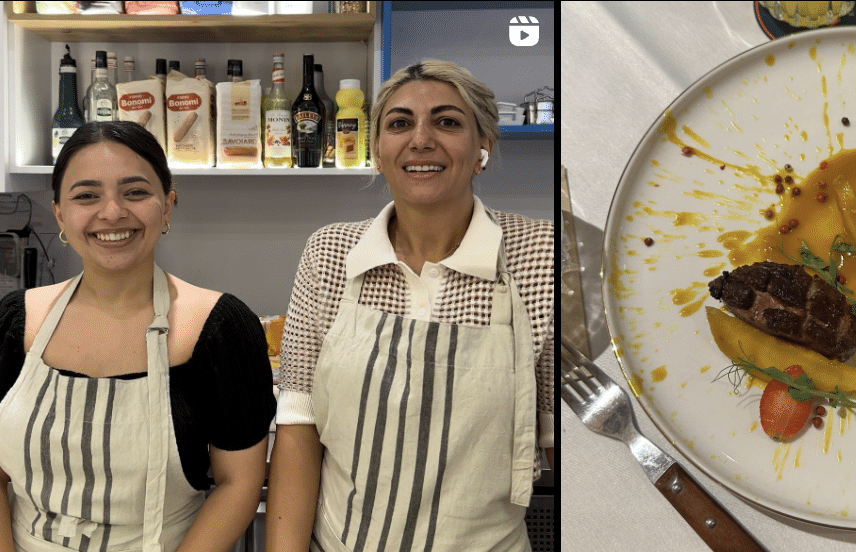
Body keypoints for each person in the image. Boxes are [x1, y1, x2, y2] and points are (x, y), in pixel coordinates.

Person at [265, 60, 556, 552]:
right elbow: (299, 426)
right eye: (399, 123)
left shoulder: (540, 256)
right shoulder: (330, 253)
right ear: (378, 151)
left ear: (484, 145)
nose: (421, 140)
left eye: (447, 121)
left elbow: (566, 438)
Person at [0, 121, 274, 552]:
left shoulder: (220, 328)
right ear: (59, 214)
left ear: (167, 206)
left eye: (135, 192)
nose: (111, 212)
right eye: (86, 195)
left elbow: (237, 482)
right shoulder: (16, 320)